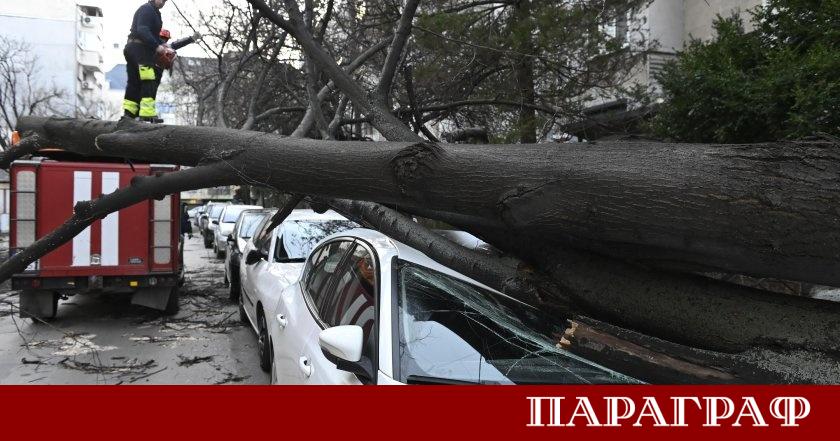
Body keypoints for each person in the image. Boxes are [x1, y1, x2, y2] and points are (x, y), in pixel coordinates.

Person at [123, 0, 171, 123]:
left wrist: (163, 45)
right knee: (149, 78)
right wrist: (157, 46)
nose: (164, 2)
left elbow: (152, 35)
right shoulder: (147, 9)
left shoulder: (153, 11)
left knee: (134, 81)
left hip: (133, 48)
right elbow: (143, 30)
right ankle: (147, 114)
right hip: (140, 50)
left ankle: (129, 114)